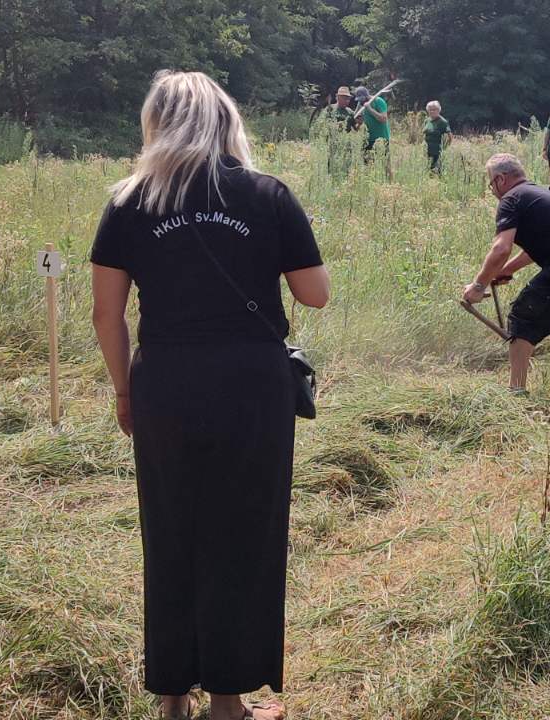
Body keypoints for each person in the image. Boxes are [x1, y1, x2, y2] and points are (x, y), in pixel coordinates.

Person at [89, 70, 329, 720]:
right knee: (244, 533)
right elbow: (315, 293)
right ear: (225, 120)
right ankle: (228, 700)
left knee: (170, 531)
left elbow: (106, 314)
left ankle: (173, 696)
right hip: (251, 387)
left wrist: (122, 390)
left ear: (156, 123)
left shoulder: (129, 201)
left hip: (164, 382)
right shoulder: (266, 194)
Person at [461, 153, 550, 393]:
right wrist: (506, 270)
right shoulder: (537, 194)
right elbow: (536, 248)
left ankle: (515, 394)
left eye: (491, 183)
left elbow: (501, 248)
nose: (492, 189)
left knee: (523, 316)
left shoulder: (511, 199)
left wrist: (478, 286)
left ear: (500, 179)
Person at [355, 85, 390, 165]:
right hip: (368, 139)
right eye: (359, 100)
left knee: (385, 164)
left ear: (366, 96)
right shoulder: (360, 105)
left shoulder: (378, 101)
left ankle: (388, 177)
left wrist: (370, 109)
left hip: (382, 138)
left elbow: (383, 119)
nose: (361, 101)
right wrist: (359, 122)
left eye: (362, 99)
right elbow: (357, 121)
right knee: (367, 164)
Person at [422, 100, 451, 173]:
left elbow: (449, 136)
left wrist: (444, 148)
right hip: (427, 150)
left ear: (438, 110)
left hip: (437, 151)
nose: (432, 111)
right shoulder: (427, 120)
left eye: (434, 109)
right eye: (430, 109)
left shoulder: (443, 122)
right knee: (428, 170)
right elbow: (424, 133)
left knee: (437, 171)